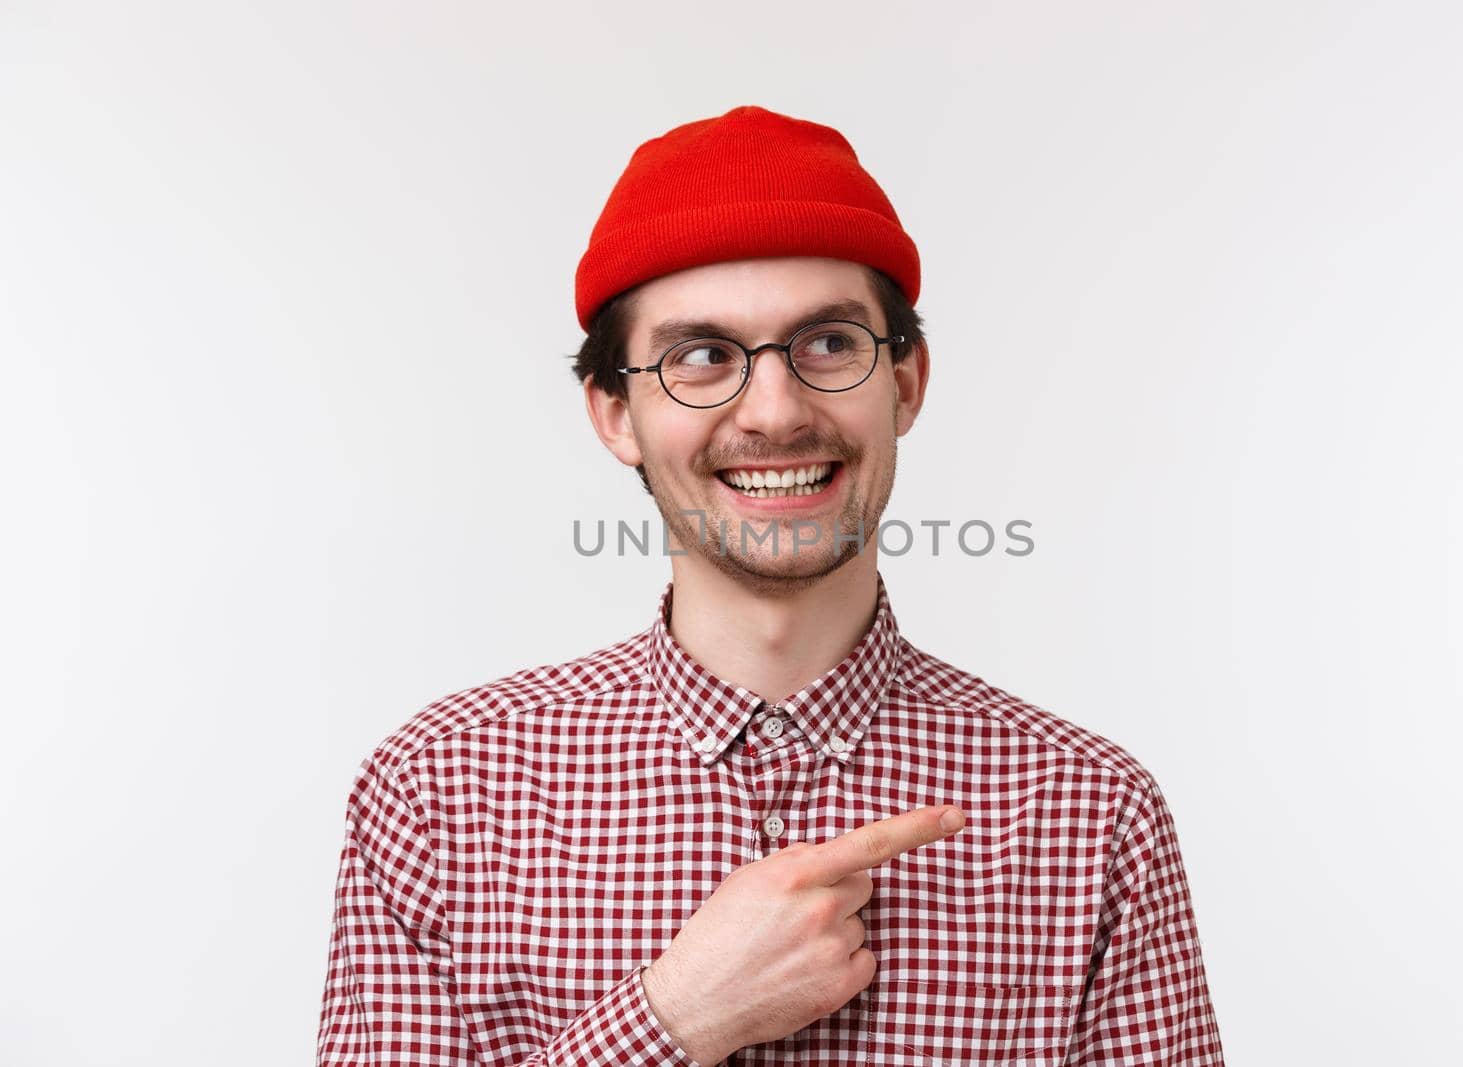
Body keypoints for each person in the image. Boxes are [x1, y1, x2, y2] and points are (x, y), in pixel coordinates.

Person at [317, 104, 1225, 1066]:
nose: (775, 410)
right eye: (700, 357)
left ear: (907, 383)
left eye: (828, 343)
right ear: (615, 413)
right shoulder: (438, 795)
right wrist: (672, 1021)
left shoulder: (1088, 812)